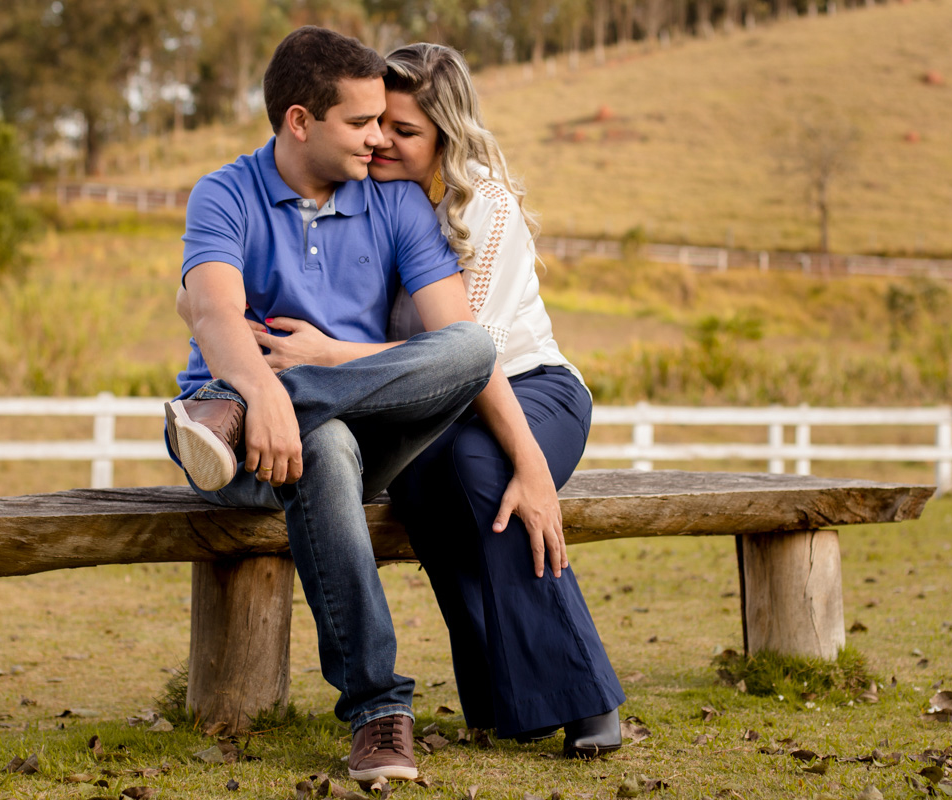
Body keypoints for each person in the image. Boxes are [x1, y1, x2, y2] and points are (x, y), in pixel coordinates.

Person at [231, 42, 626, 758]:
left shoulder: (484, 209)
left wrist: (533, 469)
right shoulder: (375, 198)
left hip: (528, 388)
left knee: (481, 472)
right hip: (427, 407)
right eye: (375, 121)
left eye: (404, 131)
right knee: (422, 486)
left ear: (447, 136)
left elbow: (472, 356)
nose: (380, 140)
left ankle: (585, 695)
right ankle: (503, 698)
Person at [165, 26, 501, 789]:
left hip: (274, 424)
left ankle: (231, 409)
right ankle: (378, 710)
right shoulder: (226, 192)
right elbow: (213, 311)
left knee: (471, 350)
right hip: (239, 457)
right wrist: (261, 391)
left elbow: (455, 338)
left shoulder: (396, 204)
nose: (379, 138)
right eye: (361, 122)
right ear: (299, 120)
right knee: (325, 448)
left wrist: (284, 386)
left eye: (383, 120)